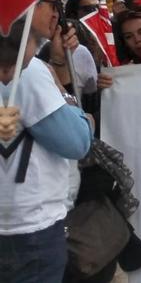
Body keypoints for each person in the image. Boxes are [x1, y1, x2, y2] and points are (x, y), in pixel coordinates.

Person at [0, 17, 94, 283]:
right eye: (49, 3)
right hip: (27, 228)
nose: (55, 16)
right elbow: (76, 142)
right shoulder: (27, 72)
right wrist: (66, 98)